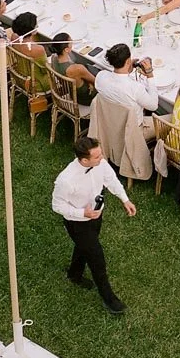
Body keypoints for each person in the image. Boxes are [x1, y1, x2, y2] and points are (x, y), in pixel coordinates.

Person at [51, 134, 136, 315]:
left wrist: (125, 200)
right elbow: (57, 206)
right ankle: (109, 298)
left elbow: (111, 180)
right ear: (84, 160)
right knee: (96, 258)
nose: (102, 158)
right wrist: (83, 213)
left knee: (84, 247)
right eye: (97, 156)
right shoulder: (66, 180)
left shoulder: (100, 163)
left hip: (97, 216)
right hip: (78, 223)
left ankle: (74, 274)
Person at [93, 44, 159, 139]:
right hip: (133, 131)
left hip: (110, 123)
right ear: (128, 61)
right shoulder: (136, 88)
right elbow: (154, 106)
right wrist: (149, 74)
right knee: (171, 118)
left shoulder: (101, 77)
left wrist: (127, 68)